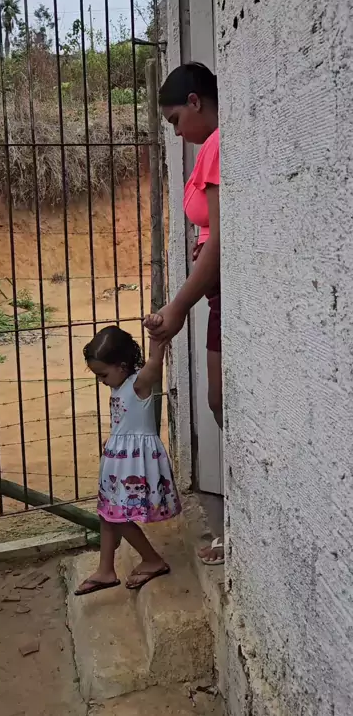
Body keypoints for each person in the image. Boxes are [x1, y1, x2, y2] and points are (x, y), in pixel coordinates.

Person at [145, 61, 224, 565]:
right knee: (221, 401)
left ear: (195, 101)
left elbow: (220, 238)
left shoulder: (215, 145)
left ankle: (238, 524)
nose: (175, 131)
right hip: (216, 296)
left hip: (223, 296)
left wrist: (177, 307)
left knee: (222, 401)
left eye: (175, 119)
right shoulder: (206, 149)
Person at [75, 323, 181, 595]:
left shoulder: (138, 384)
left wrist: (156, 330)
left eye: (103, 374)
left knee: (119, 516)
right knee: (107, 512)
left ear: (122, 366)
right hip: (119, 459)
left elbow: (155, 360)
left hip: (135, 462)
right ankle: (105, 569)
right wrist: (114, 439)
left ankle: (152, 560)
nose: (101, 380)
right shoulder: (119, 384)